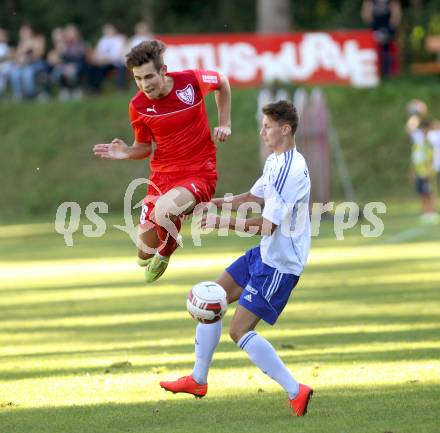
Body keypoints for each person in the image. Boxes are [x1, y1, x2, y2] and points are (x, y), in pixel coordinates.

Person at [160, 100, 313, 416]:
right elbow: (252, 198)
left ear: (285, 129)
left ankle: (297, 390)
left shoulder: (290, 170)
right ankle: (198, 380)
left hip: (280, 265)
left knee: (239, 331)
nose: (262, 132)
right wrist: (210, 202)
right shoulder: (275, 161)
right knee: (211, 301)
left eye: (267, 126)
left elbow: (268, 226)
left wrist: (221, 222)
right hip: (265, 255)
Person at [93, 40, 231, 282]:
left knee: (165, 211)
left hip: (199, 172)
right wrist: (127, 152)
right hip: (162, 178)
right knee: (143, 253)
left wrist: (225, 123)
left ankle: (167, 251)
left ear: (163, 71)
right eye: (138, 79)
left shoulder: (191, 81)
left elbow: (222, 82)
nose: (144, 85)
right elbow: (144, 147)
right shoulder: (138, 106)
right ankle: (173, 220)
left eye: (149, 77)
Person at [361, 0, 402, 77]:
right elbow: (366, 15)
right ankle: (376, 70)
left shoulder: (391, 2)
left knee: (386, 48)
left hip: (388, 27)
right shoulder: (370, 2)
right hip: (375, 27)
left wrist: (389, 29)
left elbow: (396, 15)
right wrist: (373, 29)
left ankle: (388, 70)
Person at [410, 119, 439, 224]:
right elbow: (414, 158)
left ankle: (432, 212)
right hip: (420, 172)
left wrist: (430, 171)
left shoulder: (430, 142)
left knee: (429, 192)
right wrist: (413, 171)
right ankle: (426, 212)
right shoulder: (418, 143)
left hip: (428, 173)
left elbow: (431, 158)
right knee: (422, 193)